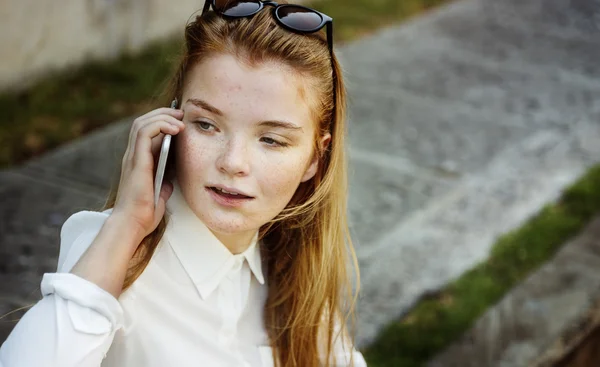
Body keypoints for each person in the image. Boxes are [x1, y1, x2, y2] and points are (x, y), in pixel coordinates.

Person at [0, 0, 365, 366]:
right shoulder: (114, 253)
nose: (233, 162)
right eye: (207, 125)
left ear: (316, 159)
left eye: (271, 139)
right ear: (170, 123)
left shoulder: (292, 266)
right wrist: (126, 224)